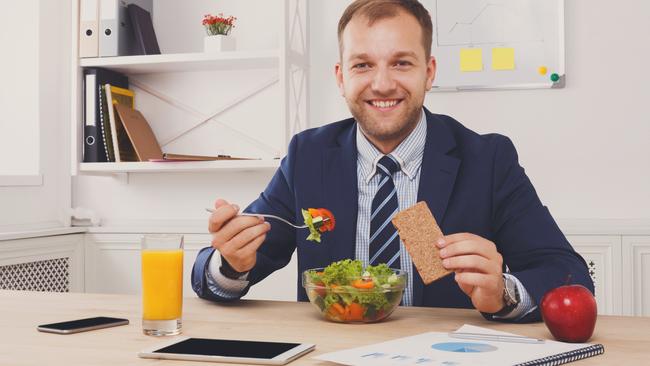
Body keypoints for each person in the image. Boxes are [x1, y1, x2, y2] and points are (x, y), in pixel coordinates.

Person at [192, 0, 593, 323]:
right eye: (362, 64)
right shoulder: (308, 155)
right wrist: (230, 262)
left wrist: (503, 292)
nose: (382, 84)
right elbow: (224, 270)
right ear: (340, 76)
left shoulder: (487, 158)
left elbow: (568, 273)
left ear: (429, 72)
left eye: (401, 62)